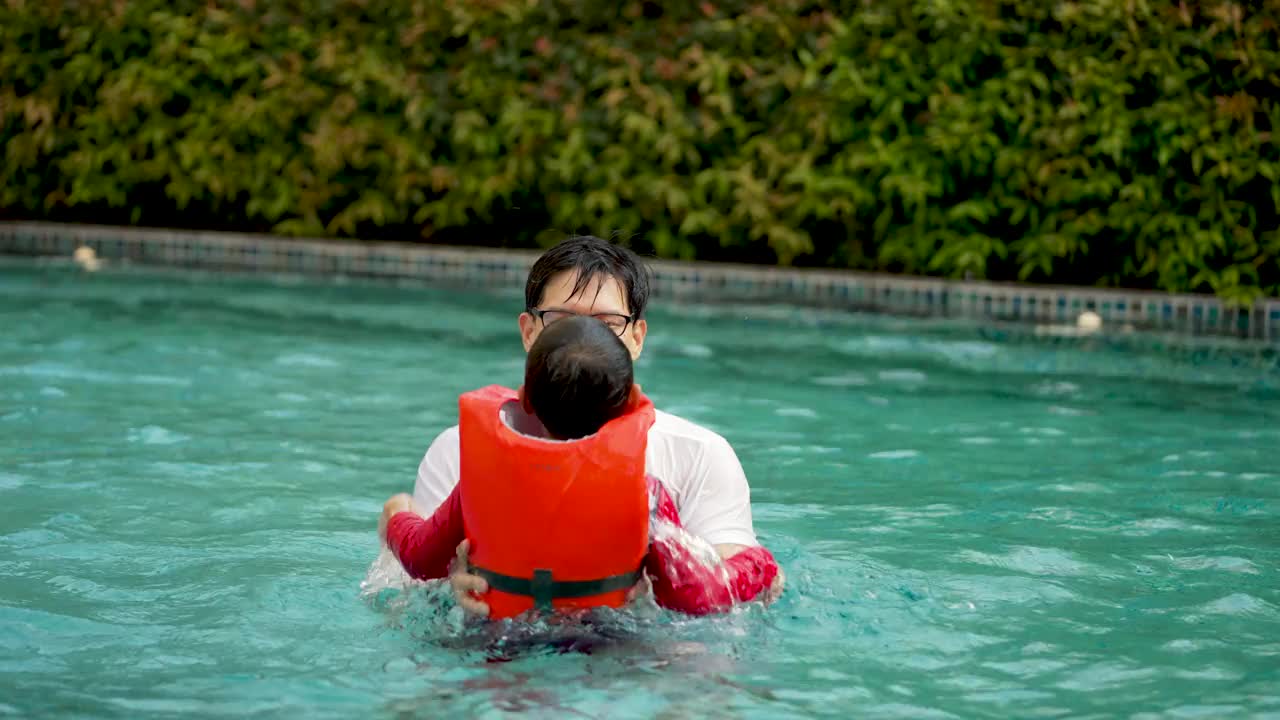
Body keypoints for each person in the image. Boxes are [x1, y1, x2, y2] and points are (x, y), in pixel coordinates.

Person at [403, 235, 784, 617]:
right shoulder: (456, 451)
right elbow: (399, 594)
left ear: (637, 338)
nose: (584, 338)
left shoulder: (700, 454)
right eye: (562, 320)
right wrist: (445, 592)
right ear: (529, 331)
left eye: (606, 323)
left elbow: (731, 618)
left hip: (638, 657)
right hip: (503, 645)